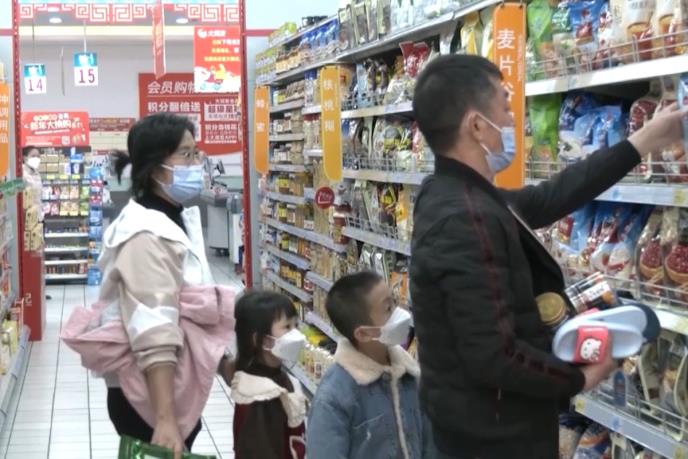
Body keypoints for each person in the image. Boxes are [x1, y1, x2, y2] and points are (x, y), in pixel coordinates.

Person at [409, 54, 687, 459]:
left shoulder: (457, 194)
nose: (512, 121)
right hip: (492, 442)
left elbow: (551, 197)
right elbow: (495, 355)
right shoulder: (464, 219)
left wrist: (642, 141)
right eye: (505, 108)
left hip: (481, 427)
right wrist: (579, 378)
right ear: (476, 126)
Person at [60, 113, 236, 459]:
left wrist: (224, 364)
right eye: (186, 155)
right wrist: (165, 418)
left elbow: (189, 310)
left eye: (196, 153)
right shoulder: (145, 233)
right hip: (148, 396)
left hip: (167, 385)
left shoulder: (172, 217)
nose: (196, 163)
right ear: (156, 168)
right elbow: (153, 326)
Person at [307, 271, 436, 459]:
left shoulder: (409, 374)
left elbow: (427, 441)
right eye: (388, 309)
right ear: (364, 334)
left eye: (394, 302)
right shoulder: (334, 397)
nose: (400, 313)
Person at [230, 290, 307, 459]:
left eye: (296, 325)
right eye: (287, 327)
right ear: (262, 340)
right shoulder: (258, 395)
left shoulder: (279, 379)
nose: (296, 334)